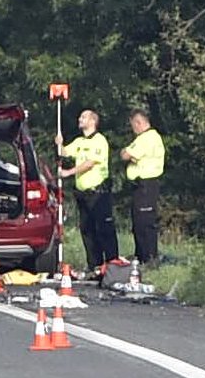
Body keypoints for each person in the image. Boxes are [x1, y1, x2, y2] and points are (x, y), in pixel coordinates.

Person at [56, 110, 118, 277]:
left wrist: (69, 172)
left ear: (92, 121)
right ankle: (94, 265)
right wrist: (59, 144)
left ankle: (112, 264)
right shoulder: (80, 141)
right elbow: (64, 152)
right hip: (83, 194)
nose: (79, 119)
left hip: (98, 193)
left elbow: (90, 163)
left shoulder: (99, 141)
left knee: (103, 229)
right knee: (87, 230)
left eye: (83, 117)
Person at [120, 108, 165, 265]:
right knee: (138, 222)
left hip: (146, 184)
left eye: (133, 126)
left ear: (139, 123)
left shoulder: (147, 138)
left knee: (145, 223)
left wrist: (127, 152)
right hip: (141, 186)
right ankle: (141, 255)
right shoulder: (147, 138)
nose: (133, 129)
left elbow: (126, 154)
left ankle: (149, 258)